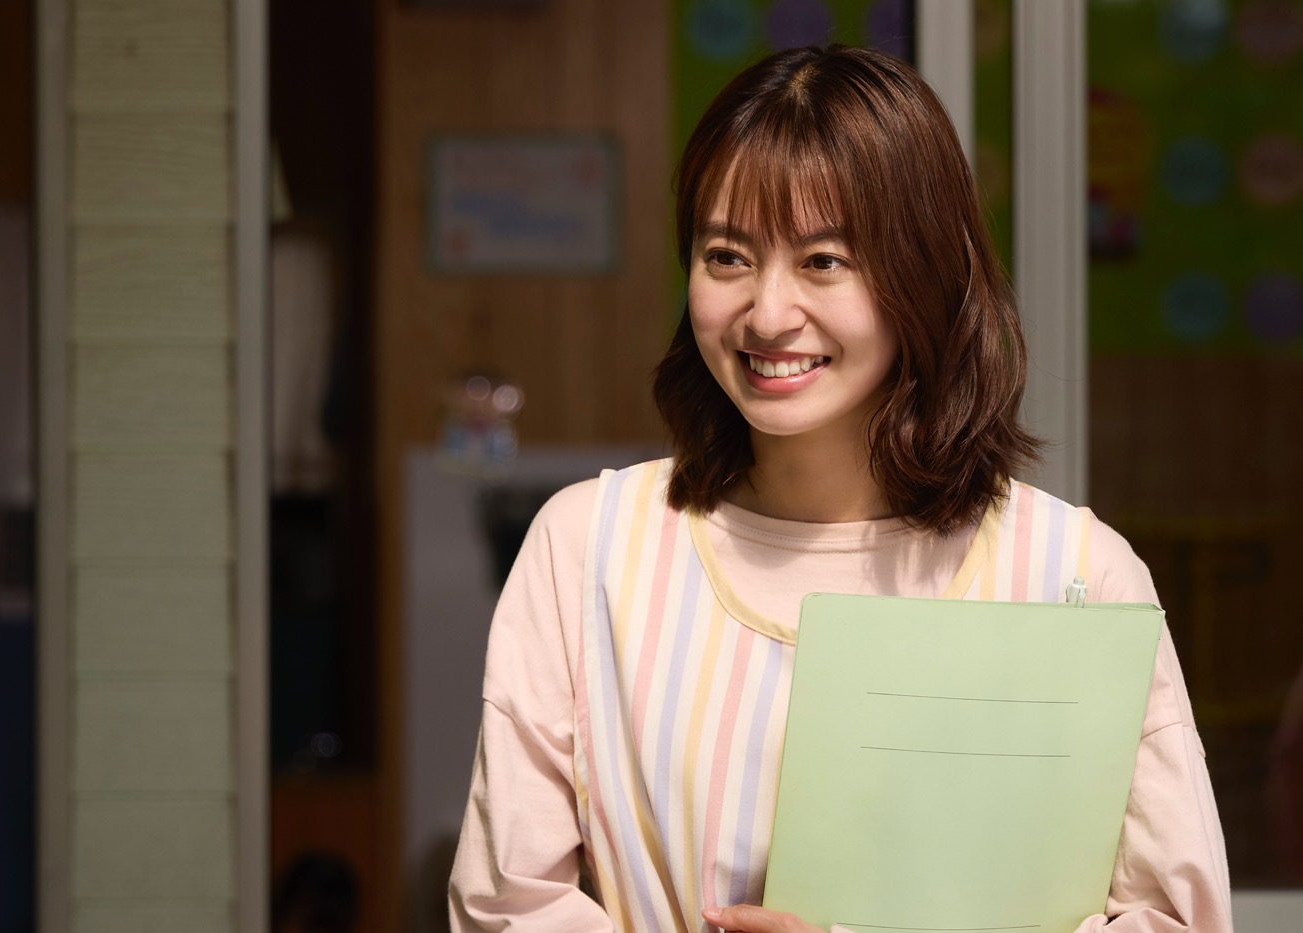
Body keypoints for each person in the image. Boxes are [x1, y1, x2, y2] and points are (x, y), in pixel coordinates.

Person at [448, 44, 1232, 933]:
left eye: (823, 260)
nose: (767, 313)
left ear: (922, 276)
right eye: (726, 255)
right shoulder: (588, 548)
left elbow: (1177, 920)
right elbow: (505, 905)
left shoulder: (1075, 575)